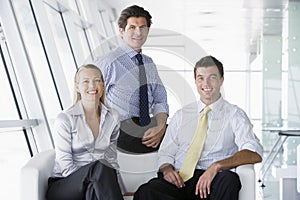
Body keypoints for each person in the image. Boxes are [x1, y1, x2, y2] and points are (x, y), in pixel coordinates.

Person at [133, 56, 263, 200]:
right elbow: (166, 154)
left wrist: (216, 166)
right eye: (200, 78)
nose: (205, 83)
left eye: (212, 77)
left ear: (221, 80)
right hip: (180, 180)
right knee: (147, 191)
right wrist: (167, 169)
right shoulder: (181, 115)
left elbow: (253, 153)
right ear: (195, 81)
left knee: (229, 180)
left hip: (213, 180)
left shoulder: (235, 115)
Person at [95, 5, 169, 153]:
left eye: (143, 27)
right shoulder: (109, 62)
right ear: (122, 31)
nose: (138, 32)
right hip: (120, 130)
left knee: (184, 134)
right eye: (132, 27)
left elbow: (160, 100)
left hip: (145, 126)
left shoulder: (149, 63)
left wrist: (160, 127)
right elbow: (91, 100)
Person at [46, 64, 124, 200]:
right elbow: (66, 167)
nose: (92, 86)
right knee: (100, 166)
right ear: (77, 87)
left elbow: (112, 159)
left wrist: (119, 188)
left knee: (102, 171)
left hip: (96, 183)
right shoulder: (65, 119)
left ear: (103, 85)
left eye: (97, 80)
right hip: (64, 185)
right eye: (86, 81)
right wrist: (94, 184)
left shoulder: (114, 117)